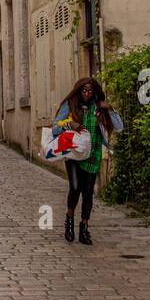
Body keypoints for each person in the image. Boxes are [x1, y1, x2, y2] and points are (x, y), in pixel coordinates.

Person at [53, 77, 122, 245]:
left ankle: (84, 227)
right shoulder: (70, 105)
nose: (87, 94)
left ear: (95, 92)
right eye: (84, 90)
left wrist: (110, 109)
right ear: (79, 91)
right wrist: (70, 125)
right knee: (75, 188)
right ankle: (69, 221)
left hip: (93, 153)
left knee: (88, 191)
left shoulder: (98, 107)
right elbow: (55, 128)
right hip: (74, 154)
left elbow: (119, 127)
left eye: (90, 91)